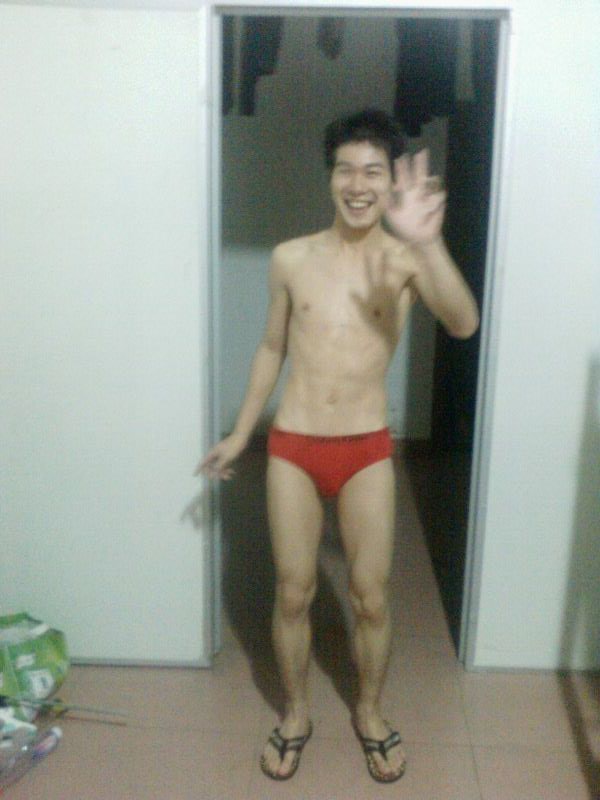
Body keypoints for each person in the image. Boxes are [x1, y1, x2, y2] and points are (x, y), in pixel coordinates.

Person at [197, 109, 479, 783]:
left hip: (367, 449)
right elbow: (272, 347)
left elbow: (463, 323)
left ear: (390, 184)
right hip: (294, 446)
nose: (357, 185)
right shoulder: (291, 258)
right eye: (346, 170)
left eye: (373, 172)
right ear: (330, 177)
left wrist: (429, 243)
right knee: (294, 592)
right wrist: (240, 432)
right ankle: (296, 714)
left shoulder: (404, 260)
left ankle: (370, 713)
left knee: (370, 597)